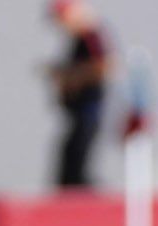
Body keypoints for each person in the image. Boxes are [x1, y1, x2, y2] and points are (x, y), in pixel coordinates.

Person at [47, 1, 112, 189]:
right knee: (69, 161)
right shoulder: (78, 38)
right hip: (78, 112)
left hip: (88, 110)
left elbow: (105, 65)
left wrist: (69, 75)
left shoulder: (90, 34)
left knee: (77, 166)